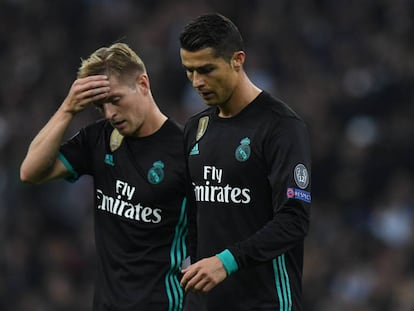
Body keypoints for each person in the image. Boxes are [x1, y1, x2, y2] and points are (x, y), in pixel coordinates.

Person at [20, 43, 188, 311]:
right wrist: (67, 109)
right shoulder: (98, 138)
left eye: (115, 99)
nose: (109, 113)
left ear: (143, 84)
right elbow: (30, 171)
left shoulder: (186, 151)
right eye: (100, 105)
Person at [179, 13, 311, 310]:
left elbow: (294, 220)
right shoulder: (195, 128)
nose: (197, 82)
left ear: (237, 60)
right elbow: (193, 217)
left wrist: (227, 261)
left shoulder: (281, 127)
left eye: (206, 69)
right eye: (189, 71)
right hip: (205, 303)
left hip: (264, 301)